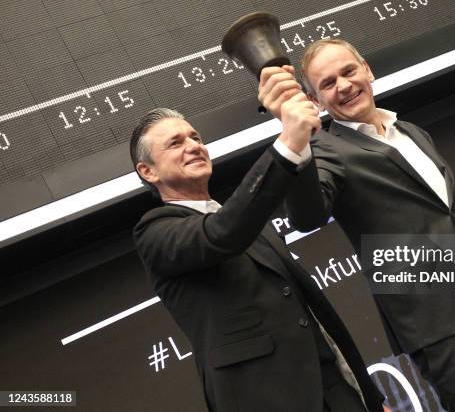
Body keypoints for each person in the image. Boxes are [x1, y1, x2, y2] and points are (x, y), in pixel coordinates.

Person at [258, 39, 455, 412]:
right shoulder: (323, 152)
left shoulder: (412, 132)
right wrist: (294, 137)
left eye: (348, 71)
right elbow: (307, 215)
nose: (343, 85)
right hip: (443, 330)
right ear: (315, 101)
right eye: (327, 84)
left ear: (367, 70)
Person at [130, 106, 390, 412]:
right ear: (148, 171)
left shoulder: (255, 226)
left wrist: (371, 399)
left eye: (195, 137)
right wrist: (287, 146)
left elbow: (316, 317)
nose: (193, 146)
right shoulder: (154, 231)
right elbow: (221, 235)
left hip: (335, 392)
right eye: (175, 143)